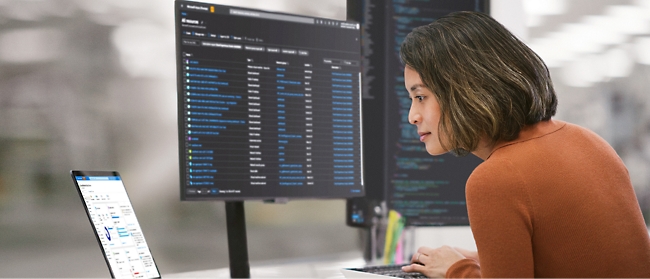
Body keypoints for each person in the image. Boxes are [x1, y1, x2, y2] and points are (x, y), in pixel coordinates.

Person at [398, 11, 650, 278]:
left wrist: (456, 270)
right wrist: (486, 259)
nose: (412, 115)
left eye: (421, 96)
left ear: (465, 90)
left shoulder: (495, 179)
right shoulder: (588, 141)